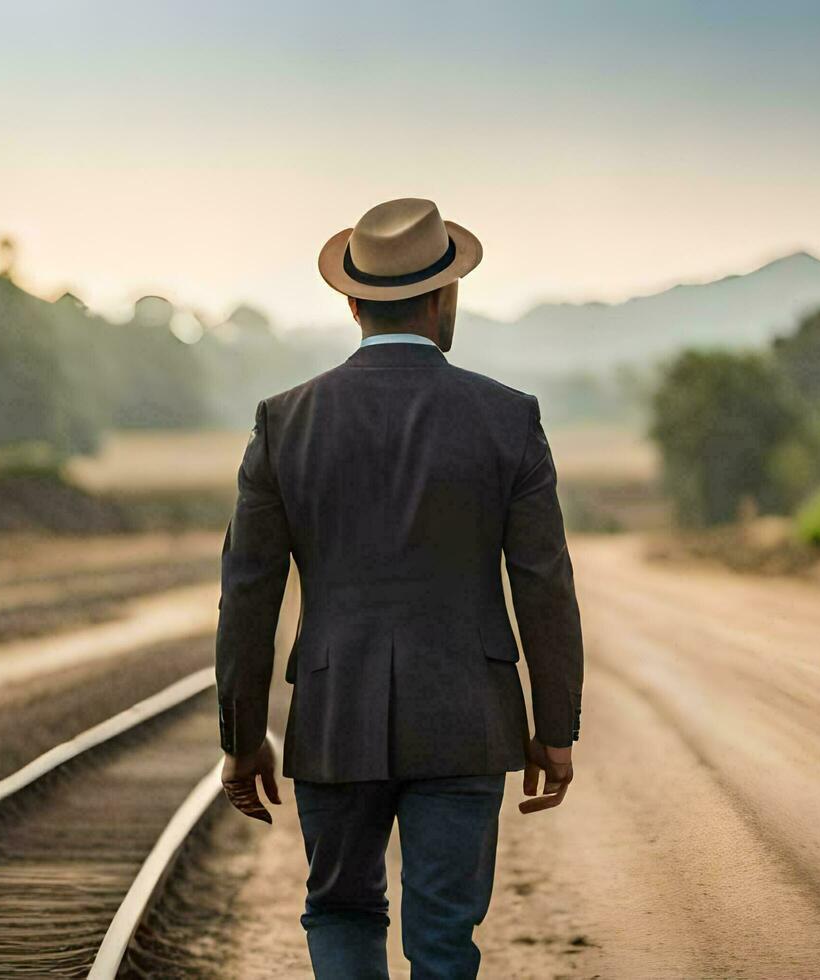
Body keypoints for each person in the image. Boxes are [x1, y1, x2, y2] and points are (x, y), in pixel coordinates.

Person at [214, 197, 584, 979]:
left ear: (351, 302)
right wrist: (556, 724)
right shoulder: (508, 418)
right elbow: (544, 582)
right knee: (445, 934)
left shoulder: (286, 421)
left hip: (334, 709)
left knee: (342, 910)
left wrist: (243, 738)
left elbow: (249, 590)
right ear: (446, 296)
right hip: (465, 716)